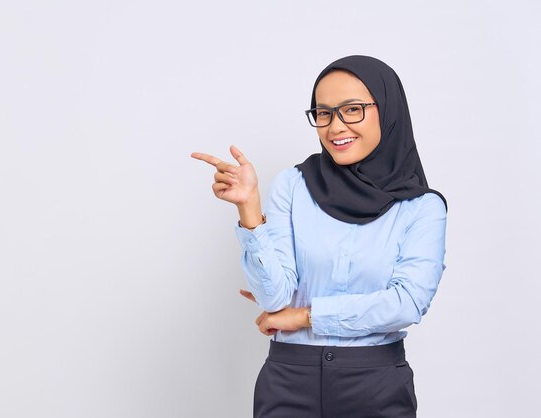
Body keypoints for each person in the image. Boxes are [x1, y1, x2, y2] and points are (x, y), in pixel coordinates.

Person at [191, 55, 447, 418]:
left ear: (388, 110)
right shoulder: (293, 186)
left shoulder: (422, 207)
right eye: (323, 113)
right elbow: (275, 297)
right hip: (288, 378)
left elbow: (406, 304)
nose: (335, 126)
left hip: (375, 384)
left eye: (352, 109)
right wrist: (249, 209)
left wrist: (306, 317)